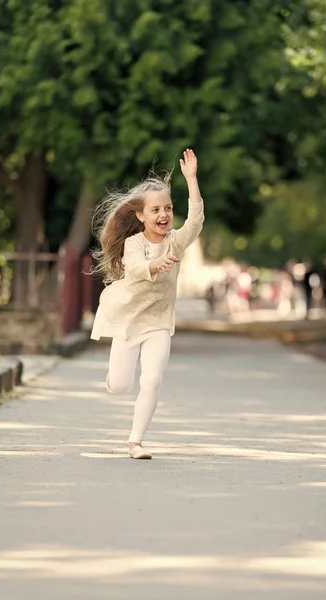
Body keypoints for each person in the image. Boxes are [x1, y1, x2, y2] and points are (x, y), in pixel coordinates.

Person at [90, 149, 204, 459]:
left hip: (158, 322)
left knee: (152, 379)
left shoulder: (176, 241)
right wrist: (157, 264)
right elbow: (138, 269)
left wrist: (191, 180)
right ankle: (114, 380)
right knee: (123, 386)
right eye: (155, 210)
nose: (163, 215)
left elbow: (195, 222)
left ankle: (135, 441)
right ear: (141, 215)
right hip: (129, 321)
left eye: (167, 208)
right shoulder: (134, 242)